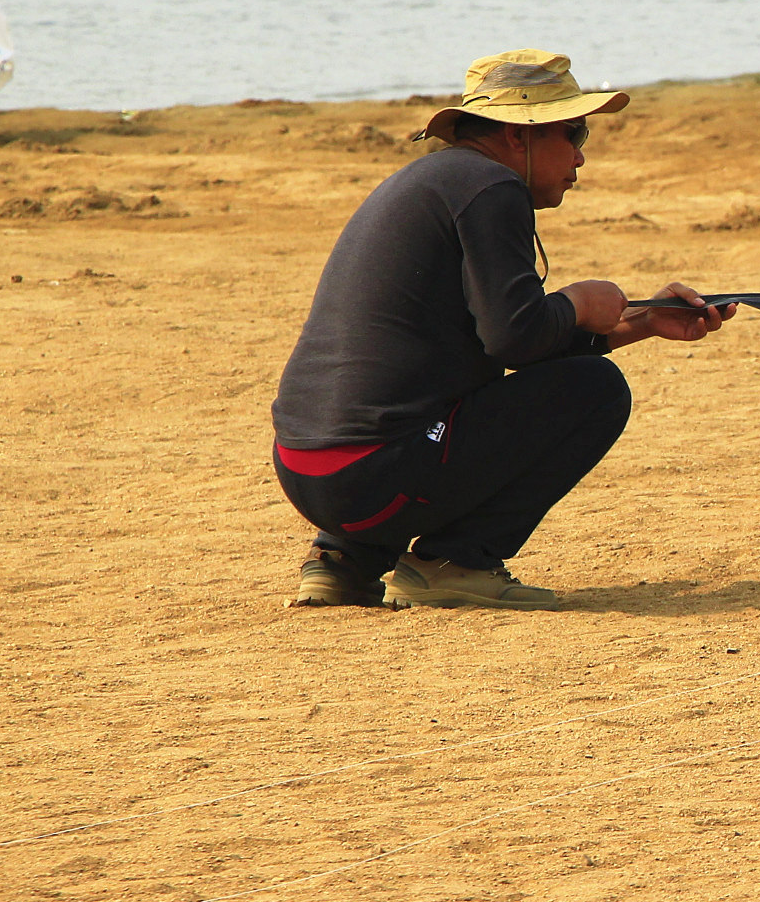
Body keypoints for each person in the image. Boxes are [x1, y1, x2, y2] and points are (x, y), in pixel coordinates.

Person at [269, 49, 735, 611]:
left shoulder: (435, 181)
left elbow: (510, 343)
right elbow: (517, 339)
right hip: (377, 474)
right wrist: (577, 299)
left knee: (444, 398)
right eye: (575, 133)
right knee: (597, 390)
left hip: (309, 472)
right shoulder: (492, 187)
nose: (581, 158)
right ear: (521, 135)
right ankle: (456, 563)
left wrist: (644, 321)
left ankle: (346, 563)